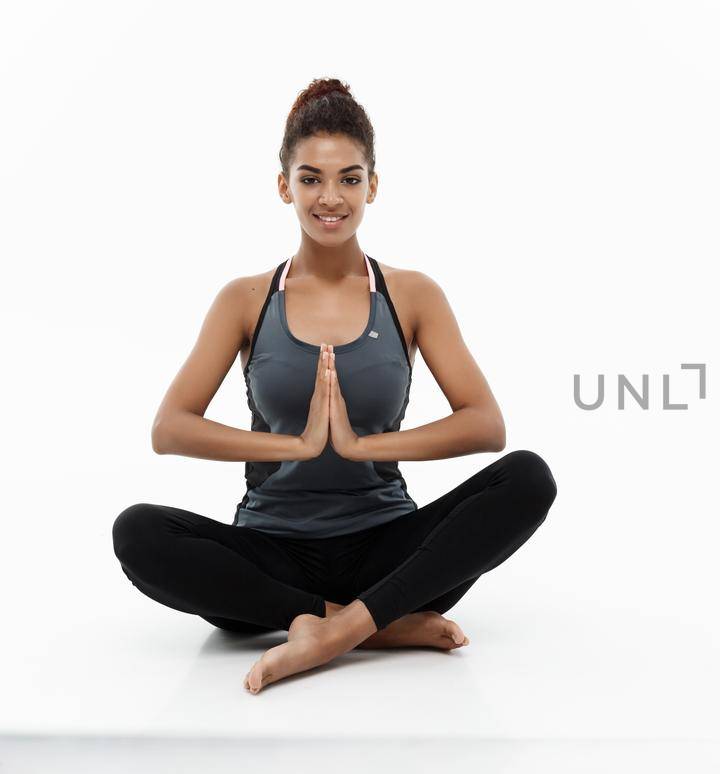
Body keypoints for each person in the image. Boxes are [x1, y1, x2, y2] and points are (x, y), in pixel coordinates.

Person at [109, 78, 558, 694]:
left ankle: (334, 629)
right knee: (137, 531)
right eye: (311, 178)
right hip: (270, 557)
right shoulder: (244, 299)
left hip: (388, 551)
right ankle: (364, 626)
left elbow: (486, 423)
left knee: (529, 476)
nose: (331, 198)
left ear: (373, 185)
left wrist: (358, 446)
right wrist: (295, 446)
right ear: (283, 185)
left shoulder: (412, 294)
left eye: (349, 178)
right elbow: (169, 428)